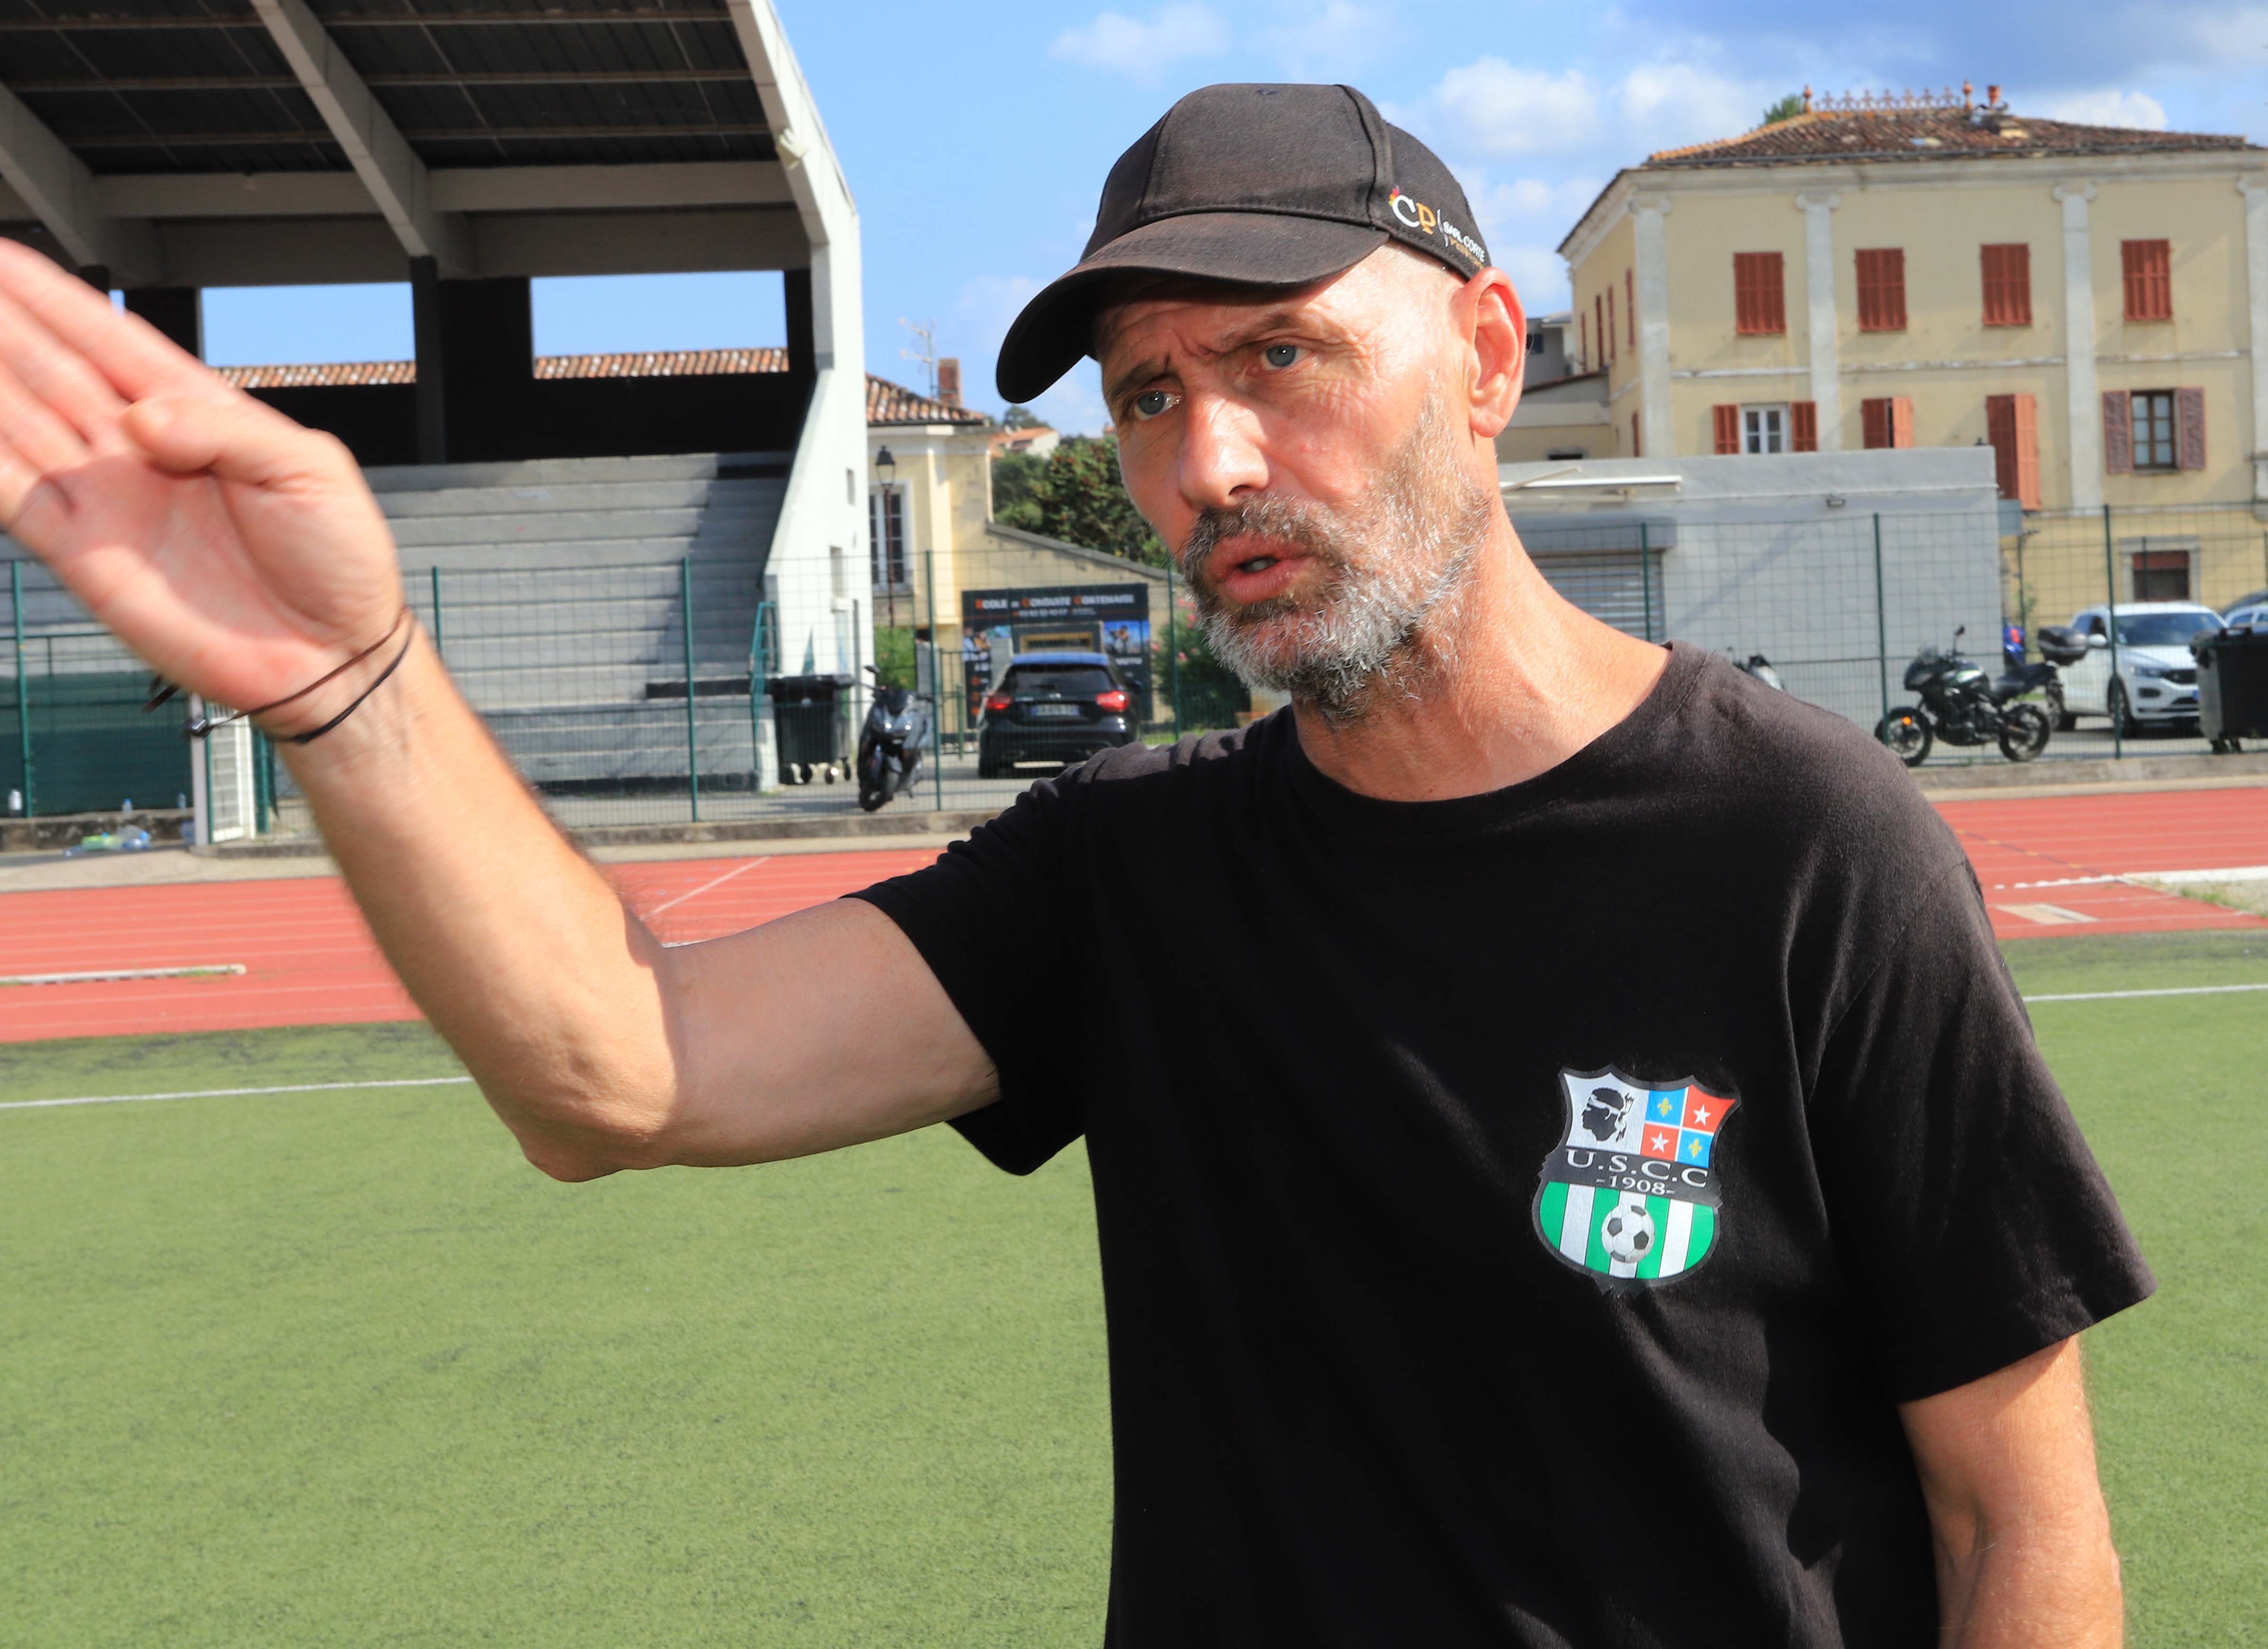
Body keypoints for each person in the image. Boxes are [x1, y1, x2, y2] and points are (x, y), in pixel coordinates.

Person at [0, 81, 2149, 1649]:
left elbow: (2022, 1534)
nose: (1206, 462)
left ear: (1489, 358)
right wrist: (347, 673)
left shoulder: (1802, 845)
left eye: (1279, 357)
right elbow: (617, 1066)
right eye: (1146, 399)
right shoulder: (1129, 877)